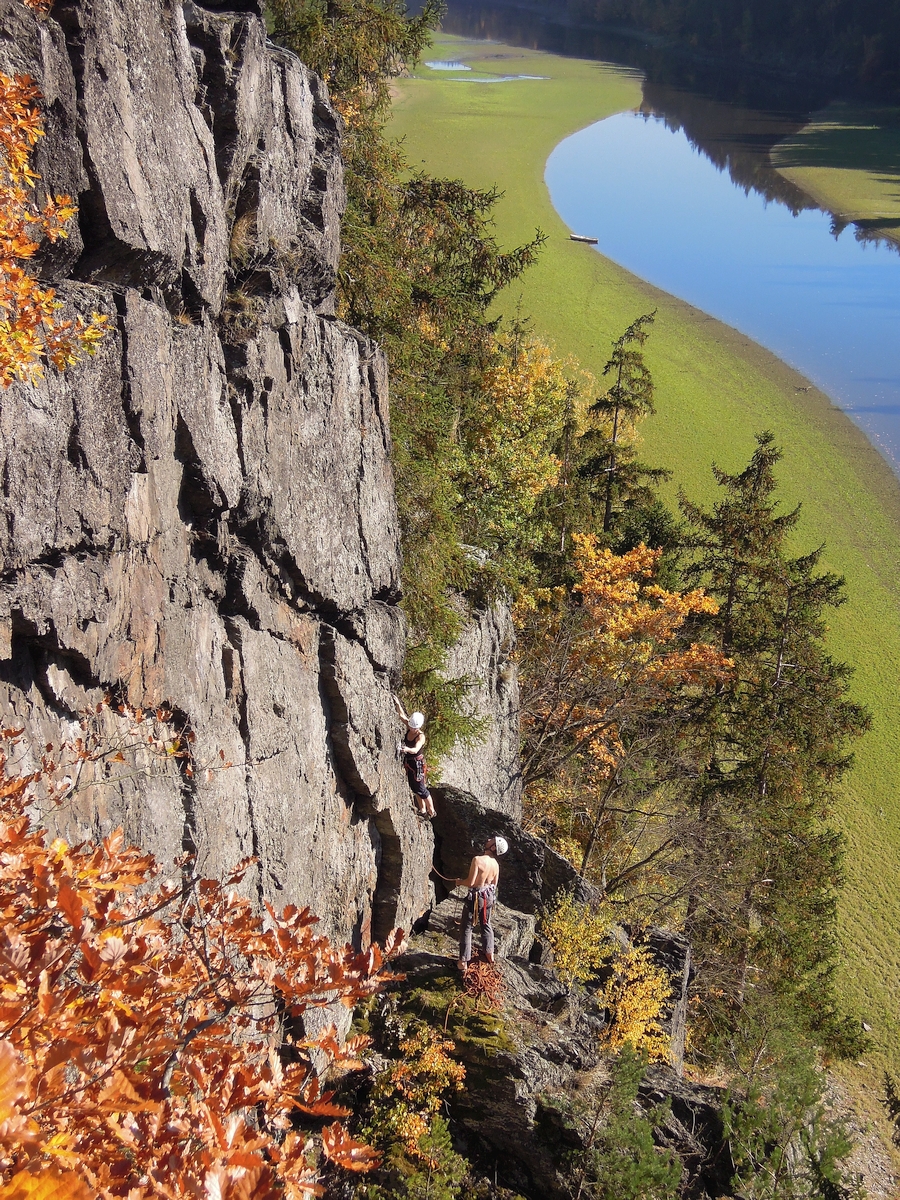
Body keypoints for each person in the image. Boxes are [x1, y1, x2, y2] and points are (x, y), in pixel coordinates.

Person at [455, 835, 508, 973]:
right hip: (489, 897)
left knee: (467, 927)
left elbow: (471, 883)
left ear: (493, 847)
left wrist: (460, 882)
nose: (488, 839)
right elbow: (494, 884)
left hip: (476, 897)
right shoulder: (496, 865)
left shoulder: (477, 860)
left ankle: (463, 961)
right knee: (486, 923)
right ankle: (489, 952)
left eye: (492, 840)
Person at [393, 696, 435, 819]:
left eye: (413, 727)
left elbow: (416, 749)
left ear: (418, 727)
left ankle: (431, 810)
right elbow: (402, 716)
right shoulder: (410, 725)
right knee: (414, 786)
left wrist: (406, 749)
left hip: (418, 764)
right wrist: (397, 703)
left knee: (421, 788)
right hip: (410, 763)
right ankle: (422, 809)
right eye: (410, 726)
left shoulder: (420, 737)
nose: (410, 728)